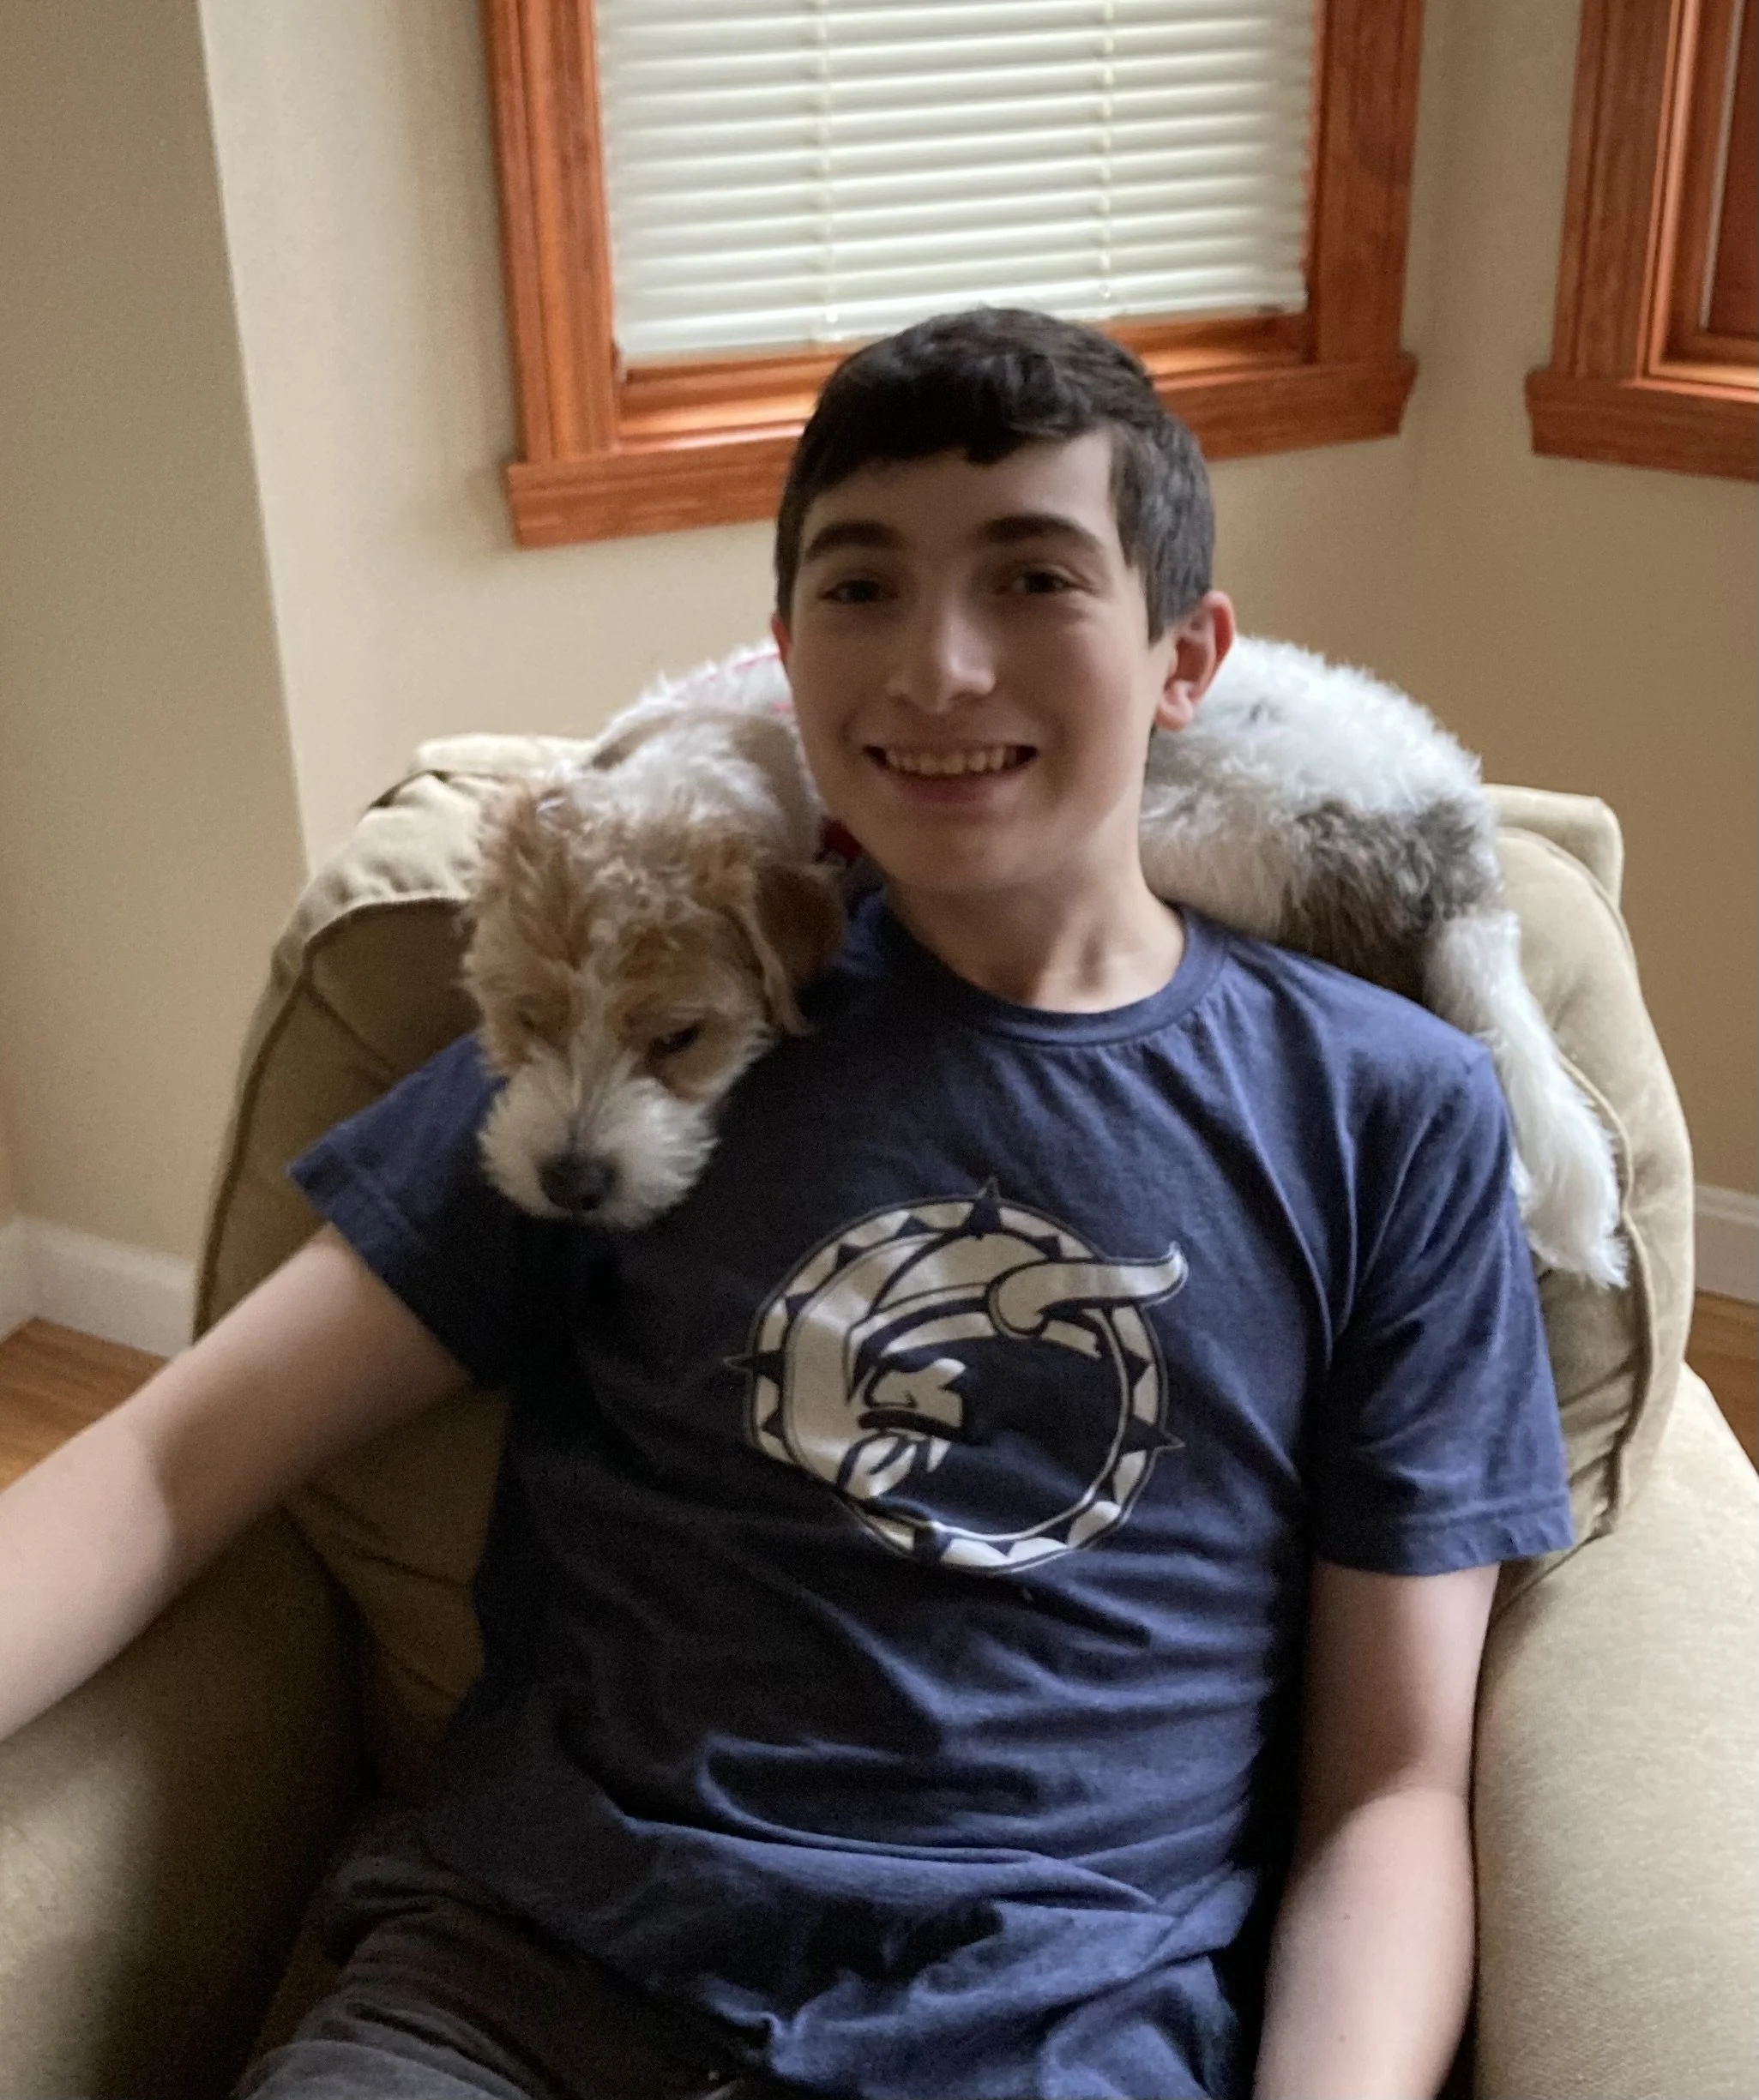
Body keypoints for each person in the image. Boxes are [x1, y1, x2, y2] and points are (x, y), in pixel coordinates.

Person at [0, 309, 1573, 2100]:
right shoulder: (645, 1024)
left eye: (1033, 580)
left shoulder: (1383, 1108)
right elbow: (173, 1460)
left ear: (1181, 658)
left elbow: (1389, 1787)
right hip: (528, 1993)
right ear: (784, 650)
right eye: (861, 588)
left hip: (1040, 2034)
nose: (937, 669)